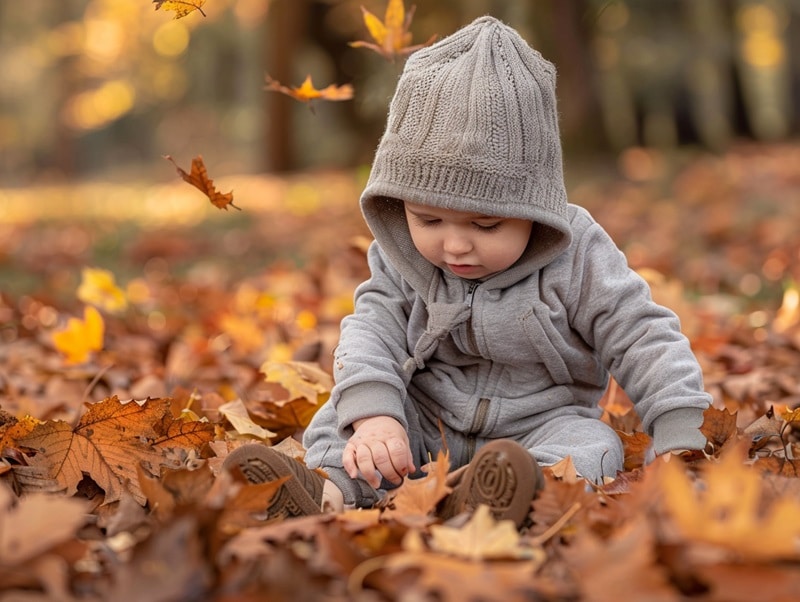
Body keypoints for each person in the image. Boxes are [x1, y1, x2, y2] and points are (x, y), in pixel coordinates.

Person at [223, 15, 711, 529]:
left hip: (539, 426)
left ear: (535, 209)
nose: (454, 244)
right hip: (421, 423)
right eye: (427, 218)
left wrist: (679, 431)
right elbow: (372, 332)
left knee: (594, 446)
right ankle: (325, 492)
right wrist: (376, 417)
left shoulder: (579, 255)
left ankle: (511, 494)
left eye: (485, 224)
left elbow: (641, 335)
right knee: (342, 419)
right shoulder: (401, 255)